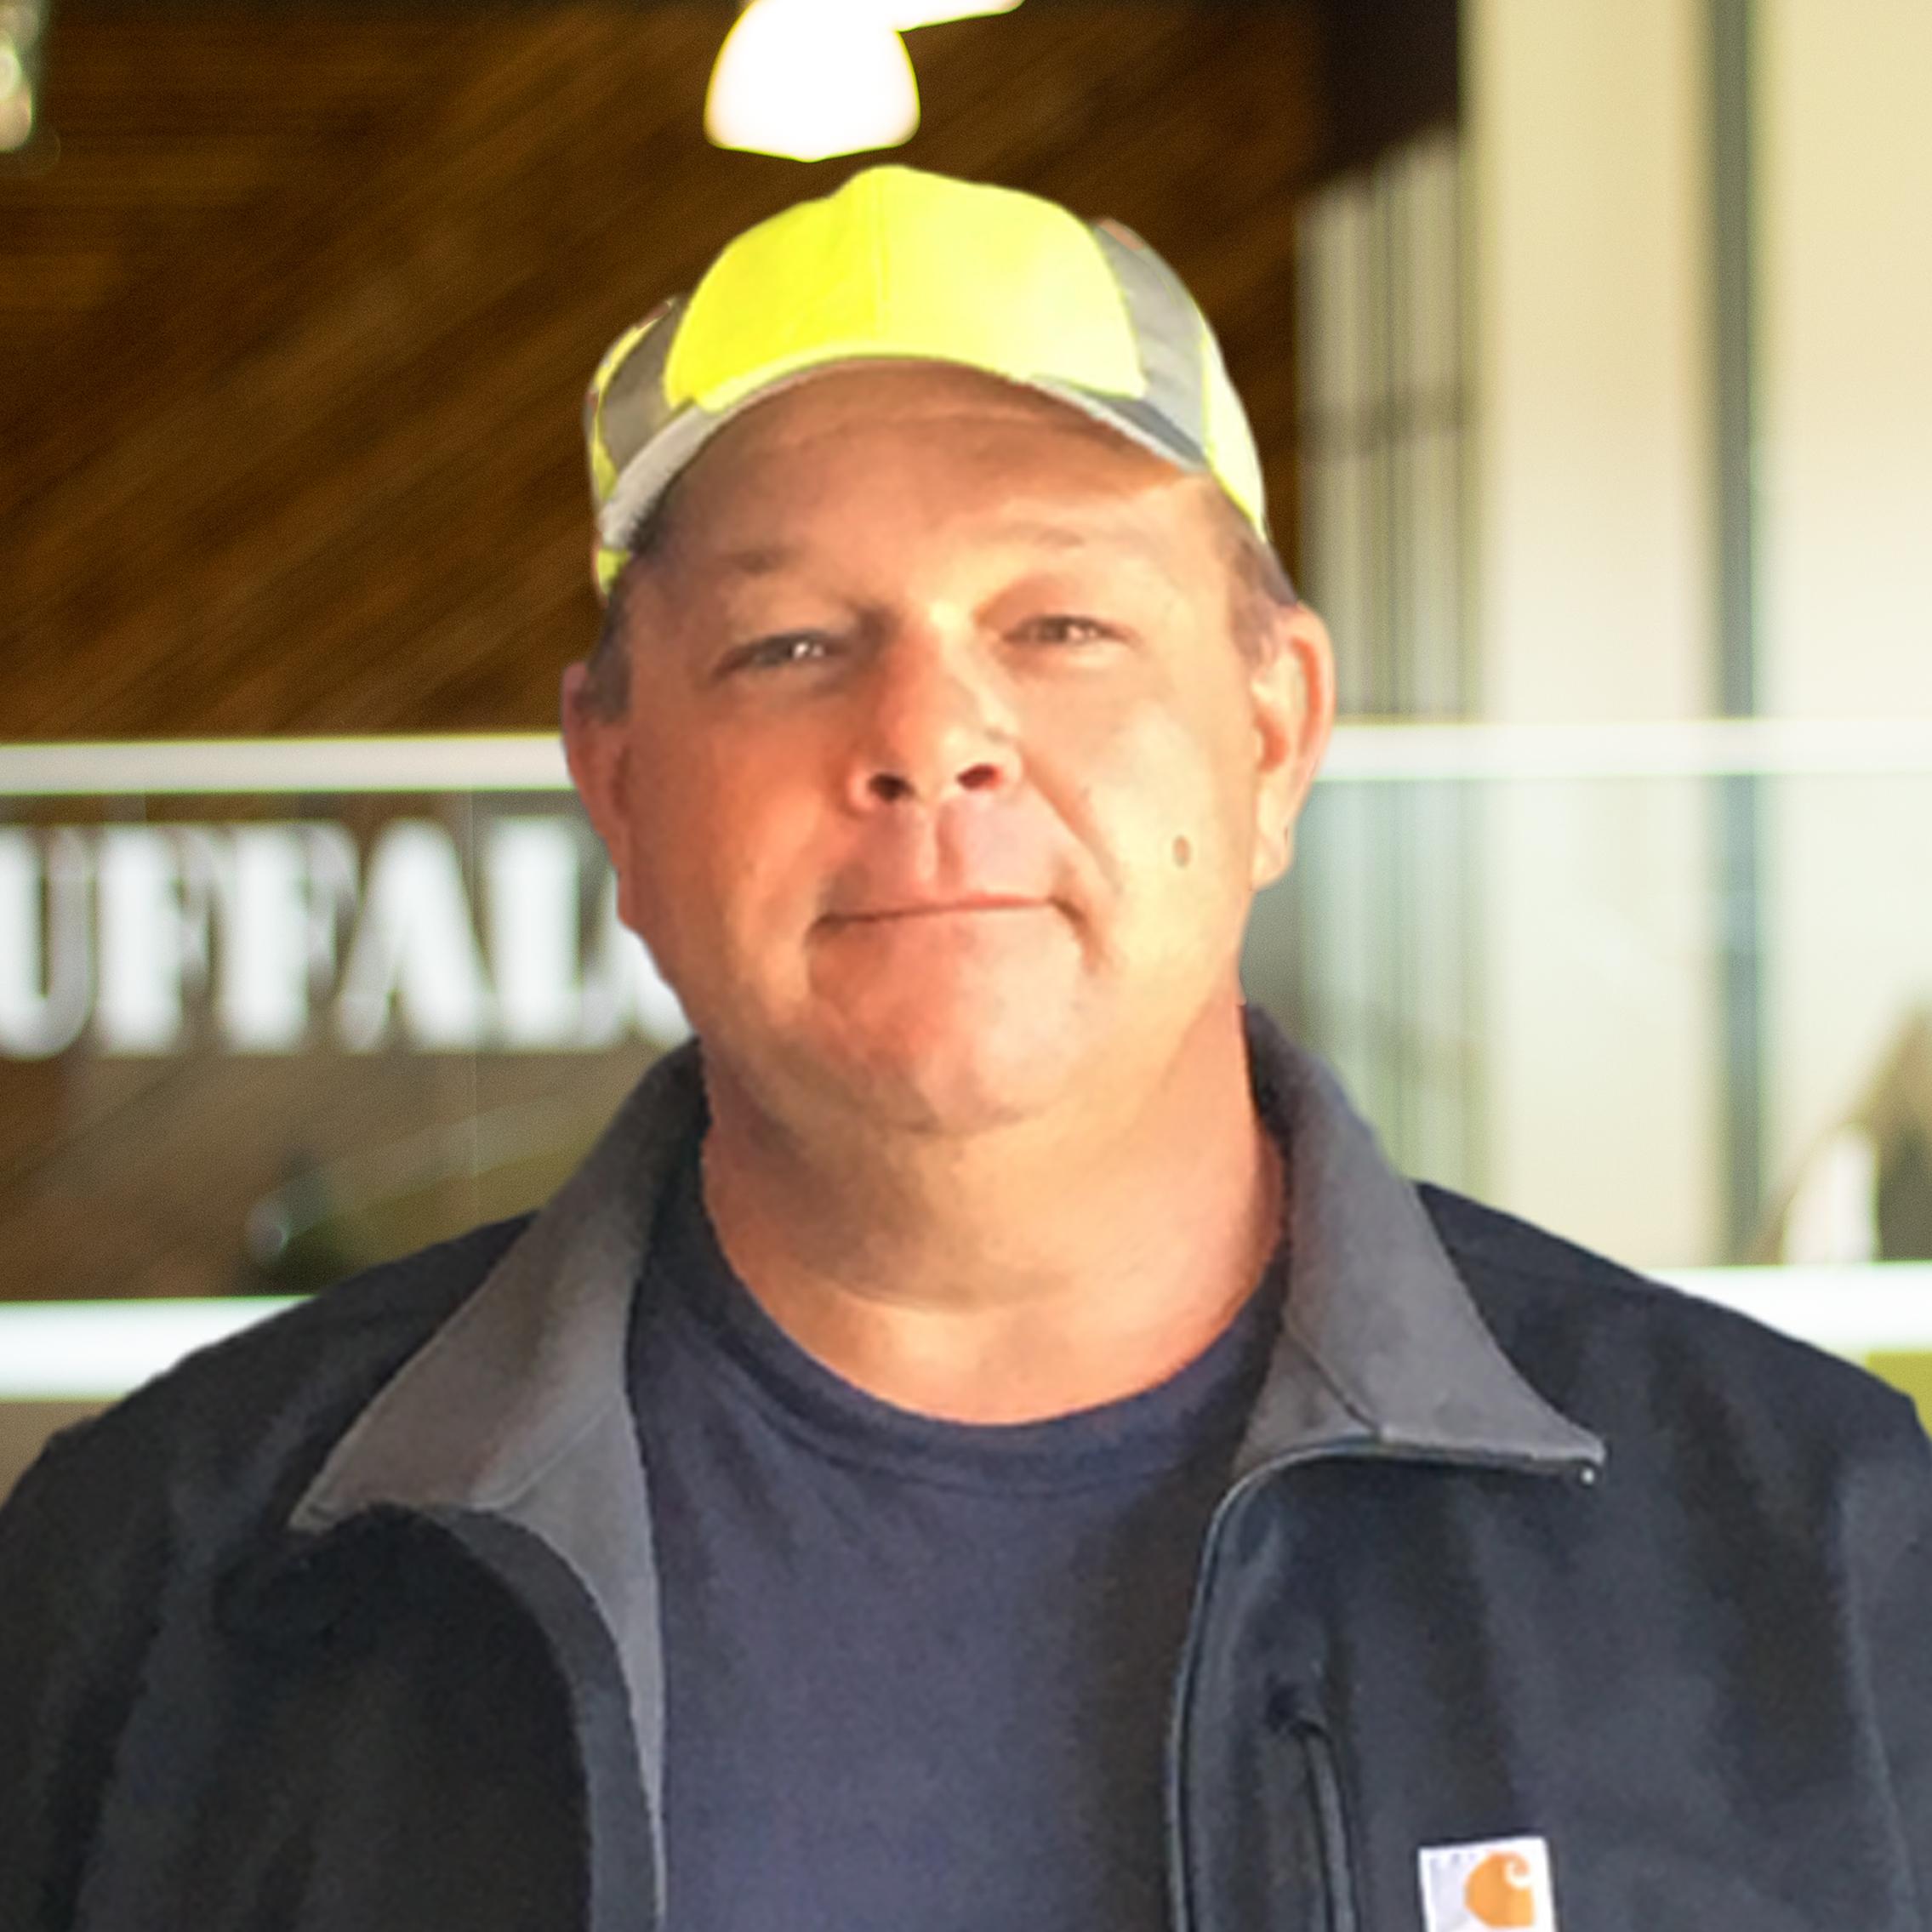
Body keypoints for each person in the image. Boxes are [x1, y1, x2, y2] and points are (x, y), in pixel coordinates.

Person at [3, 163, 1929, 1932]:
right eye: (788, 645)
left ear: (1273, 733)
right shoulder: (158, 1588)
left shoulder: (1814, 1553)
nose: (932, 733)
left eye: (1063, 621)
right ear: (615, 781)